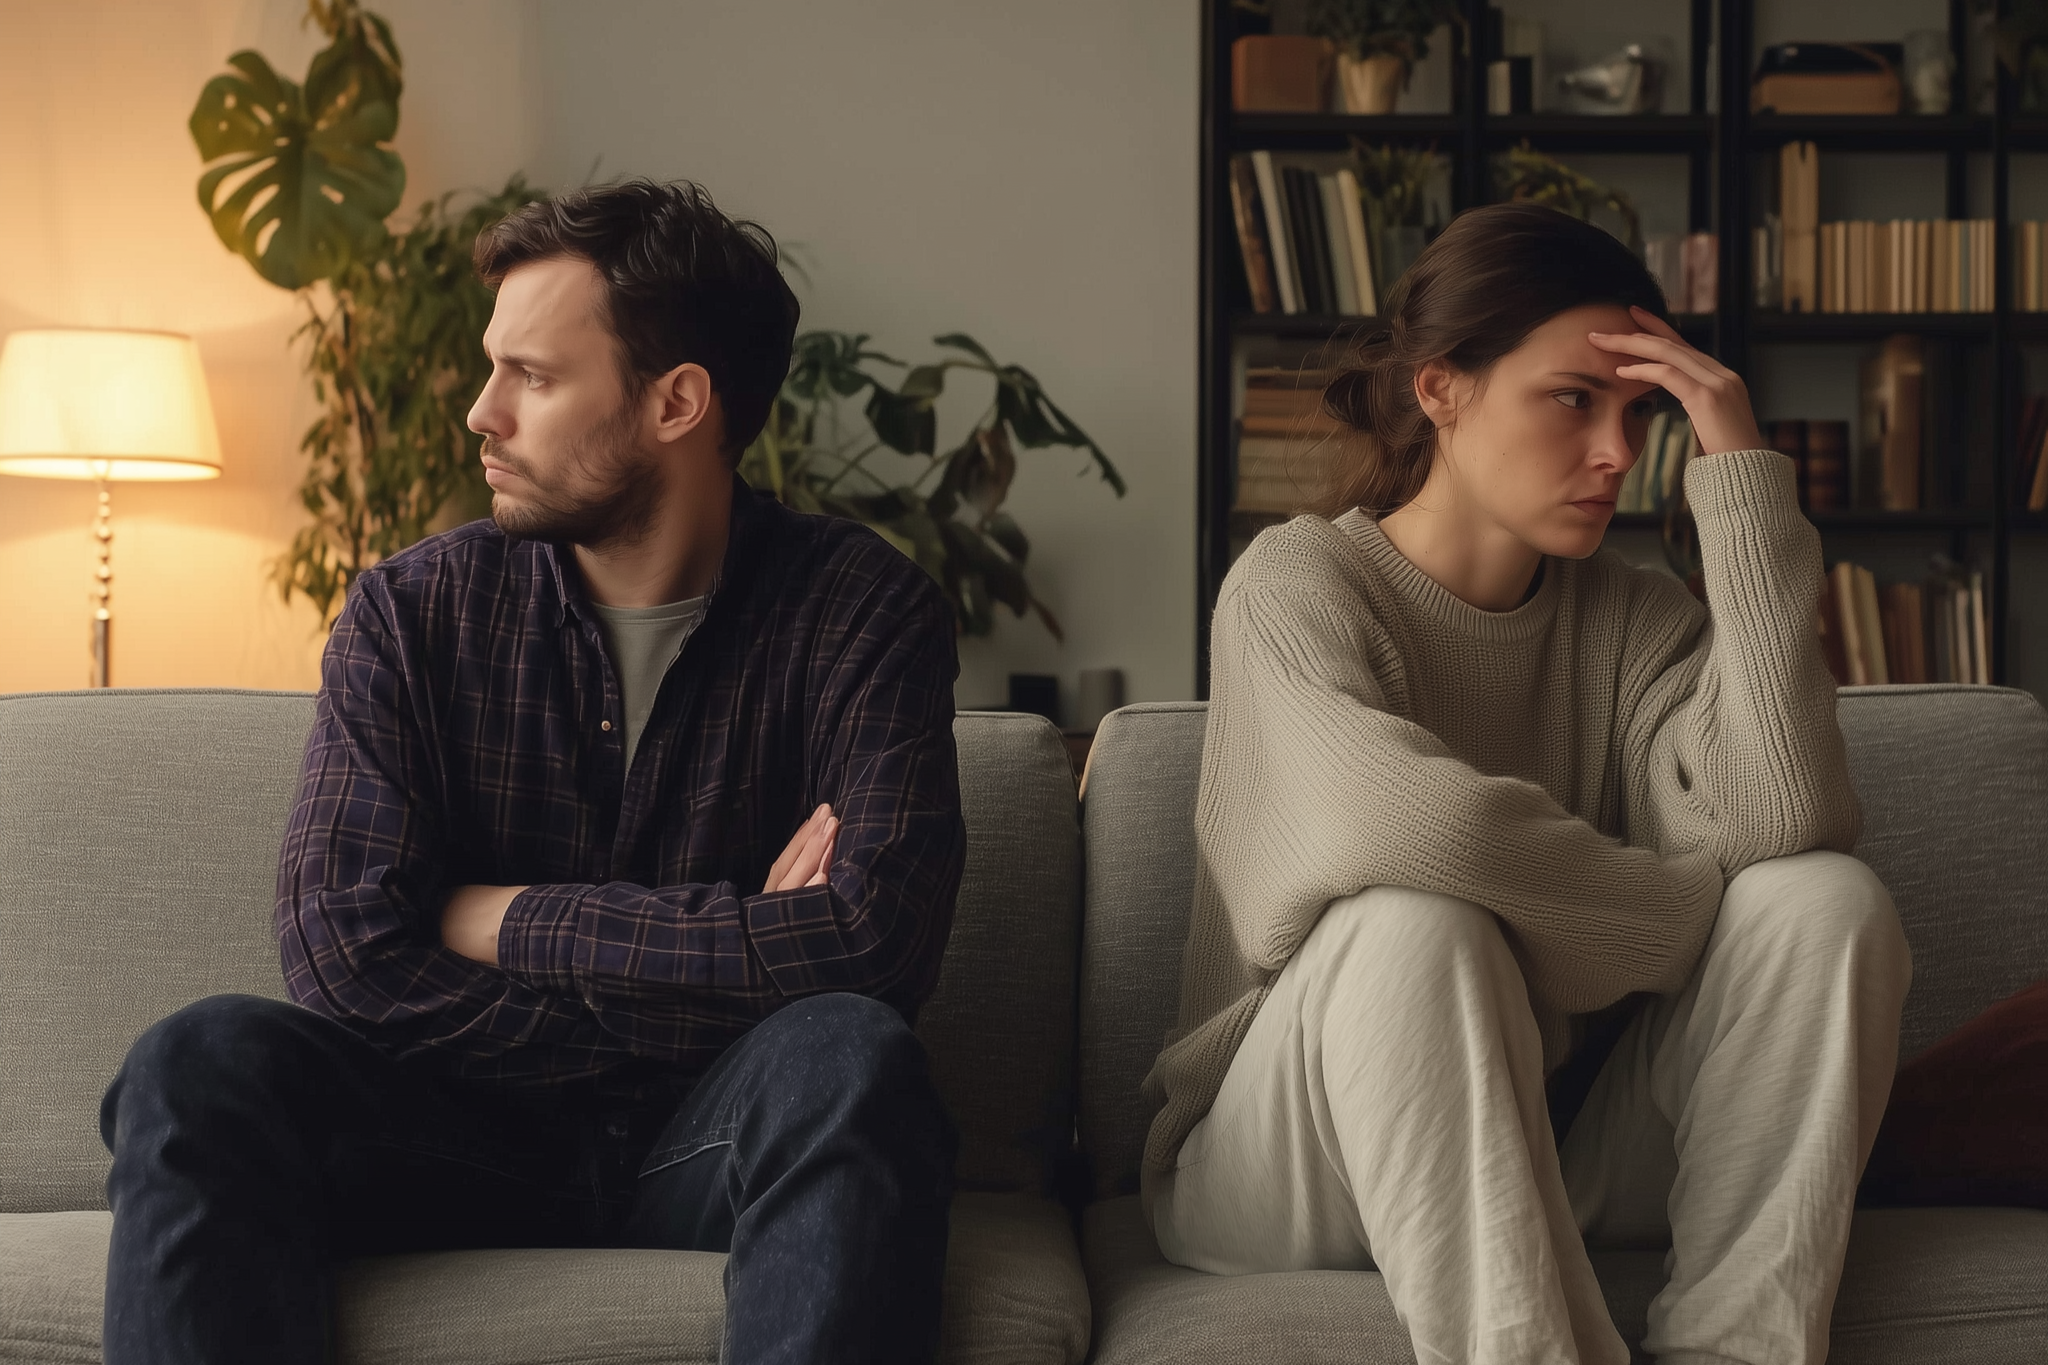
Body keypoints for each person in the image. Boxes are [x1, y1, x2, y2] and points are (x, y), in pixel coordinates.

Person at [97, 179, 967, 1365]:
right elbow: (343, 957)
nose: (478, 414)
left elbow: (874, 951)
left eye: (533, 378)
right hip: (451, 1137)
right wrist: (718, 970)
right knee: (198, 1062)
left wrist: (491, 918)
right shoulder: (412, 612)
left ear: (676, 403)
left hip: (713, 1145)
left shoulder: (863, 612)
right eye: (488, 368)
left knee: (849, 1058)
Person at [1145, 202, 1911, 1365]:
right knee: (1410, 924)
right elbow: (1407, 823)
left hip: (1548, 1147)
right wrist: (1670, 913)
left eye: (1639, 412)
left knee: (1823, 899)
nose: (1616, 451)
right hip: (1286, 1158)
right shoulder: (1296, 584)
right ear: (1439, 388)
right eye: (1571, 399)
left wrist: (1742, 477)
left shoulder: (1636, 619)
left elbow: (1782, 819)